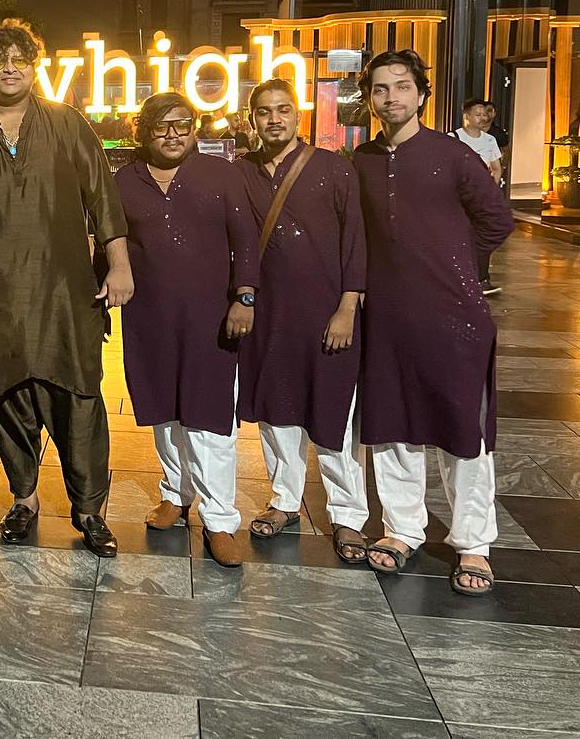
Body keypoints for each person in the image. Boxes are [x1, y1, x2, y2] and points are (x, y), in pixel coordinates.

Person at [0, 19, 133, 558]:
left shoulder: (67, 123)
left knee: (80, 398)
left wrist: (119, 264)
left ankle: (89, 510)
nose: (10, 68)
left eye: (20, 59)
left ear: (34, 66)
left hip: (65, 291)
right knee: (7, 396)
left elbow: (103, 197)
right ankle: (24, 499)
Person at [353, 50, 513, 597]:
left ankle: (473, 541)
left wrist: (456, 264)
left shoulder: (453, 155)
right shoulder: (362, 161)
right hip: (386, 317)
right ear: (369, 99)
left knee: (461, 429)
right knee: (392, 425)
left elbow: (497, 219)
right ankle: (403, 528)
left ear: (422, 94)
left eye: (402, 86)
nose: (391, 97)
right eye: (380, 88)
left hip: (454, 316)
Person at [114, 92, 258, 567]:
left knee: (209, 417)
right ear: (143, 131)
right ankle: (176, 494)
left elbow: (246, 240)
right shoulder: (125, 181)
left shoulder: (221, 175)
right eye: (162, 126)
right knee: (164, 411)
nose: (174, 134)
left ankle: (220, 519)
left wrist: (245, 296)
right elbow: (112, 243)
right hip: (149, 317)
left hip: (210, 318)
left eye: (183, 124)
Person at [234, 79, 370, 565]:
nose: (274, 119)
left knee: (332, 414)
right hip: (268, 313)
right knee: (277, 412)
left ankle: (348, 514)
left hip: (326, 312)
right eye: (264, 111)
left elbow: (355, 240)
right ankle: (285, 500)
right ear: (252, 119)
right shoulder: (242, 172)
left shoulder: (333, 169)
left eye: (283, 109)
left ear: (299, 115)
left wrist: (347, 307)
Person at [453, 98, 504, 294]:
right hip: (459, 197)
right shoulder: (453, 138)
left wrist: (491, 190)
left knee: (482, 237)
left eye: (484, 114)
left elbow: (496, 168)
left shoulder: (490, 140)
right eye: (478, 114)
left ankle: (482, 279)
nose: (482, 117)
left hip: (481, 198)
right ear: (466, 115)